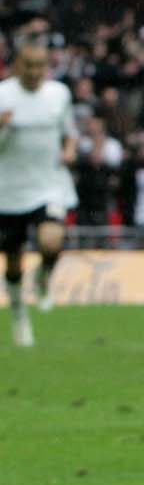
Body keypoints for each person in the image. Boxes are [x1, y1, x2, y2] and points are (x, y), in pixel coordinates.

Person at [0, 36, 77, 346]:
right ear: (17, 65)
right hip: (8, 191)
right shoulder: (4, 95)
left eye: (40, 66)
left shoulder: (59, 95)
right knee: (13, 261)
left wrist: (70, 150)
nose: (34, 72)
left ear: (48, 66)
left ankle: (44, 277)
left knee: (51, 239)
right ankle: (19, 311)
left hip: (48, 184)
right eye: (28, 65)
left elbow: (68, 133)